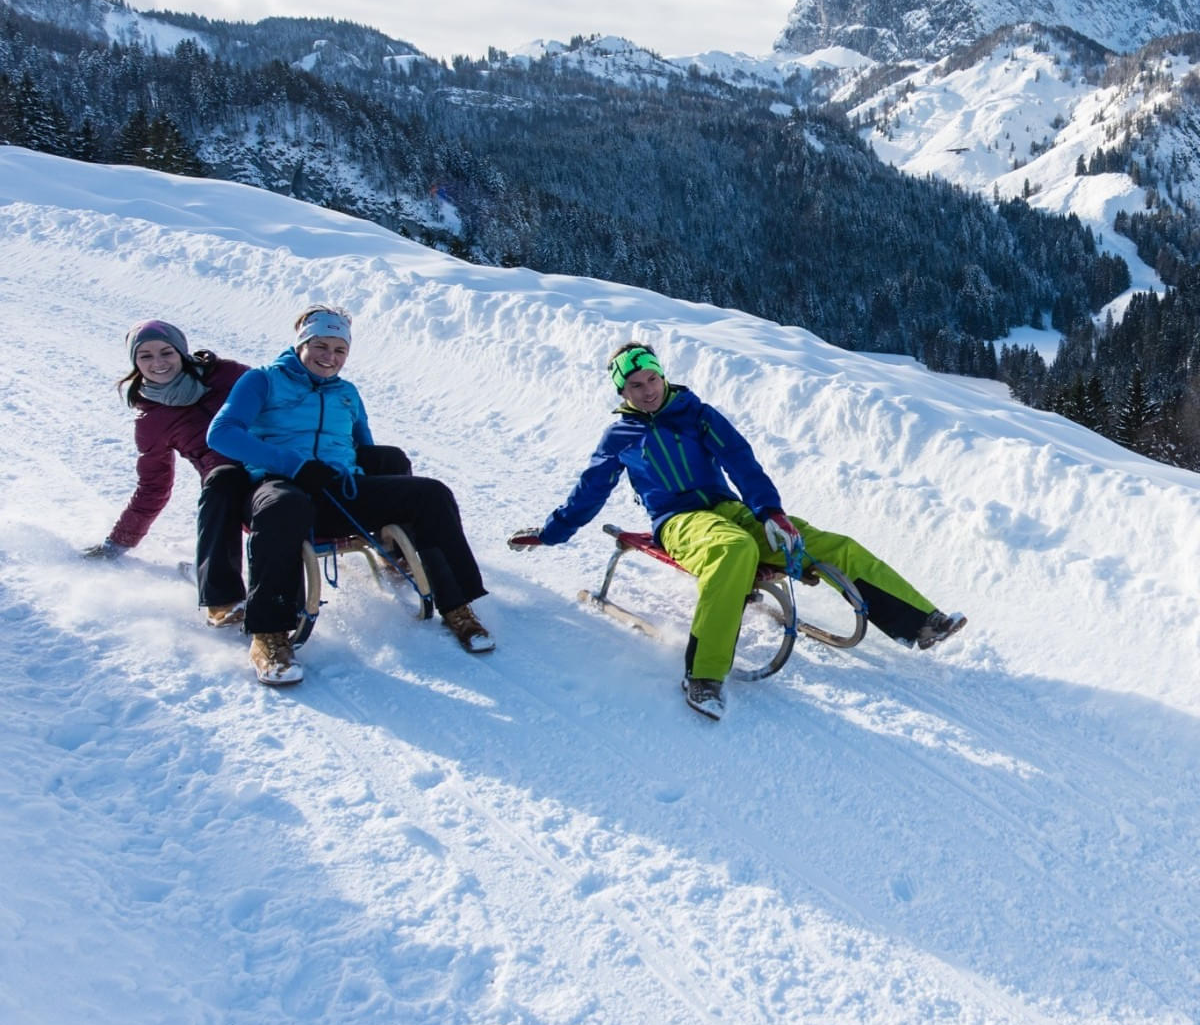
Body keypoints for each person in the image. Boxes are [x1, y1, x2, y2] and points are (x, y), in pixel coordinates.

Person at [508, 342, 965, 720]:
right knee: (733, 550)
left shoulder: (698, 414)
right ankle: (703, 675)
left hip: (730, 507)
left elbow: (741, 463)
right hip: (679, 522)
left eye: (651, 379)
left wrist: (771, 512)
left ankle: (921, 622)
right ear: (621, 392)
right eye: (634, 386)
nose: (647, 391)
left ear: (663, 376)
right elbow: (588, 494)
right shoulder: (619, 438)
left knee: (828, 544)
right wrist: (550, 533)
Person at [207, 303, 493, 686]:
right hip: (279, 485)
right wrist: (291, 465)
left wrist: (377, 488)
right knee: (284, 505)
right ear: (302, 344)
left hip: (338, 488)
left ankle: (458, 607)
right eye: (321, 346)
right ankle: (269, 635)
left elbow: (365, 448)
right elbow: (221, 432)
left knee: (432, 494)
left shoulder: (347, 393)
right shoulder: (263, 381)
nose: (330, 357)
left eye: (340, 350)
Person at [83, 319, 251, 627]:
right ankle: (221, 597)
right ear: (135, 362)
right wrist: (118, 542)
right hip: (230, 490)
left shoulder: (228, 375)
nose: (158, 363)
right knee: (222, 485)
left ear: (182, 352)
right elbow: (153, 486)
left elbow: (281, 396)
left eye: (166, 352)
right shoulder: (152, 420)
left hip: (275, 461)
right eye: (145, 356)